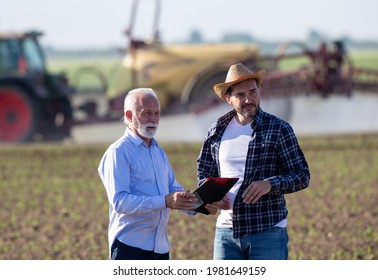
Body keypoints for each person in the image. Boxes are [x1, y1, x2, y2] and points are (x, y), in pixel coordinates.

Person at [197, 63, 310, 260]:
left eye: (253, 91)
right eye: (240, 95)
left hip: (267, 232)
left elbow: (301, 175)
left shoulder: (279, 128)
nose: (249, 99)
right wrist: (212, 196)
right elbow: (204, 174)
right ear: (228, 98)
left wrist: (269, 184)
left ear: (259, 90)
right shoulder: (216, 131)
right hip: (226, 234)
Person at [98, 88, 219, 260]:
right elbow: (120, 201)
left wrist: (199, 204)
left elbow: (172, 188)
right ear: (129, 115)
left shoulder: (158, 152)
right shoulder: (118, 152)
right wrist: (165, 201)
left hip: (160, 249)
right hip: (130, 247)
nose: (153, 119)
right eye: (147, 113)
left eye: (157, 113)